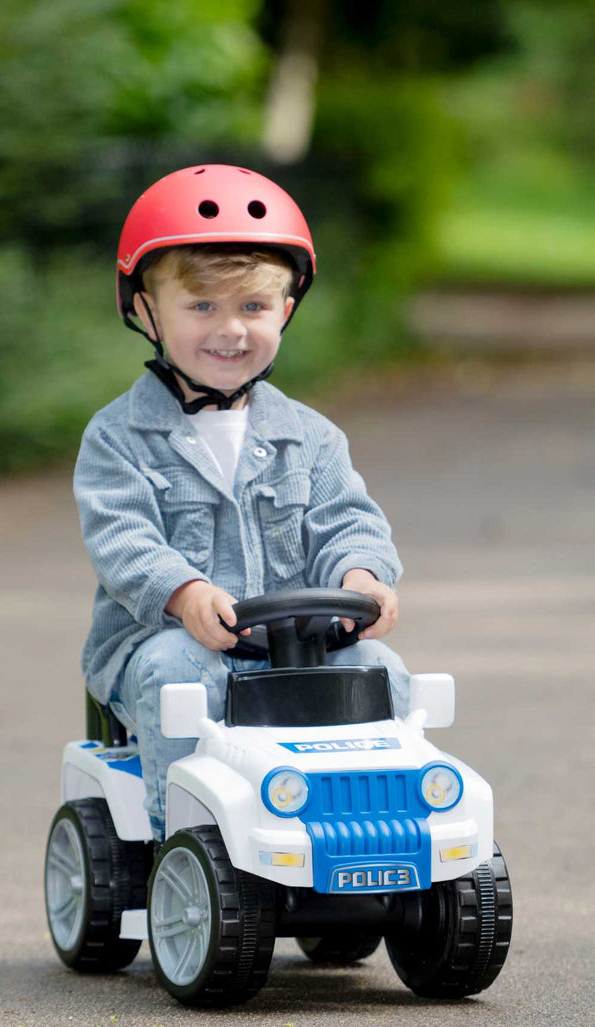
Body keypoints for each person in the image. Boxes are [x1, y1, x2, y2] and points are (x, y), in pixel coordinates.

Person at [73, 164, 410, 842]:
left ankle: (371, 819)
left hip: (296, 646)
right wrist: (185, 592)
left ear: (284, 311)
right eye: (201, 307)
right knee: (181, 677)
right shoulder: (117, 437)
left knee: (382, 671)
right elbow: (123, 538)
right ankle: (189, 838)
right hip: (166, 643)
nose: (230, 330)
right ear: (146, 311)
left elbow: (346, 519)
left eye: (252, 308)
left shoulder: (310, 436)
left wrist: (363, 577)